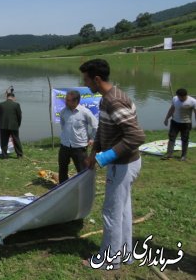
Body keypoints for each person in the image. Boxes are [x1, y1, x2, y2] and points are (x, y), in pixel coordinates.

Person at [79, 59, 145, 270]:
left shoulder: (114, 101)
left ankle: (108, 259)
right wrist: (93, 153)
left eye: (87, 79)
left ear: (97, 79)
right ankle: (124, 254)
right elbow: (103, 130)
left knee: (111, 213)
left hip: (123, 165)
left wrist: (104, 158)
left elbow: (136, 136)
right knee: (123, 210)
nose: (86, 84)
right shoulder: (106, 98)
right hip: (122, 163)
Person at [58, 90, 98, 183]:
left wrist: (92, 138)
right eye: (66, 100)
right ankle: (63, 186)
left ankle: (84, 187)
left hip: (79, 147)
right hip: (65, 145)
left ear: (76, 101)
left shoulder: (85, 112)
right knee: (62, 168)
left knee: (82, 170)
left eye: (68, 100)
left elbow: (96, 126)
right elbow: (63, 125)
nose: (66, 102)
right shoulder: (63, 111)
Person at [161, 88, 196, 161]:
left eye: (181, 97)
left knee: (185, 139)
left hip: (186, 123)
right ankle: (169, 154)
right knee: (171, 138)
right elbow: (172, 109)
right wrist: (166, 118)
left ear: (185, 96)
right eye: (178, 97)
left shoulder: (192, 101)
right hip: (174, 122)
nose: (179, 98)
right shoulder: (175, 99)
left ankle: (183, 156)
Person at [0, 91, 23, 159]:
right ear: (13, 97)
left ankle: (4, 156)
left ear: (7, 97)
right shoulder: (16, 105)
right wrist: (18, 124)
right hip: (14, 125)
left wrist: (2, 119)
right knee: (16, 140)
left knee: (4, 141)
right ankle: (19, 155)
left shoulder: (0, 104)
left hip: (3, 125)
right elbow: (19, 116)